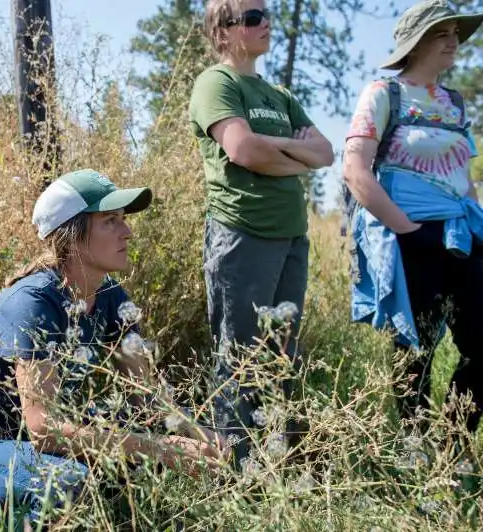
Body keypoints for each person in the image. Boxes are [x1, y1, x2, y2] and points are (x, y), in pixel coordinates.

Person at [0, 169, 224, 528]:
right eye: (110, 221)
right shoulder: (33, 301)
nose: (128, 232)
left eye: (123, 219)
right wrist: (161, 448)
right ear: (73, 234)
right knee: (68, 482)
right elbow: (43, 429)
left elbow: (146, 399)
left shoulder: (111, 298)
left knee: (127, 455)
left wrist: (198, 436)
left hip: (47, 447)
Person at [188, 0, 334, 464]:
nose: (265, 23)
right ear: (223, 32)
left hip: (292, 237)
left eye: (265, 14)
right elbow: (243, 150)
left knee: (280, 357)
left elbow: (326, 153)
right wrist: (293, 155)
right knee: (240, 361)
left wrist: (275, 145)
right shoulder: (217, 83)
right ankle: (231, 472)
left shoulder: (279, 94)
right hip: (242, 235)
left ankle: (274, 464)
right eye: (252, 18)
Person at [343, 0, 483, 439]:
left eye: (456, 34)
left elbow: (465, 179)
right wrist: (407, 230)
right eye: (442, 33)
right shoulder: (385, 94)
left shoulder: (454, 103)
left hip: (463, 234)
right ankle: (415, 459)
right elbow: (354, 170)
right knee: (414, 355)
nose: (454, 41)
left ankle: (453, 448)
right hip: (409, 237)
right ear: (416, 43)